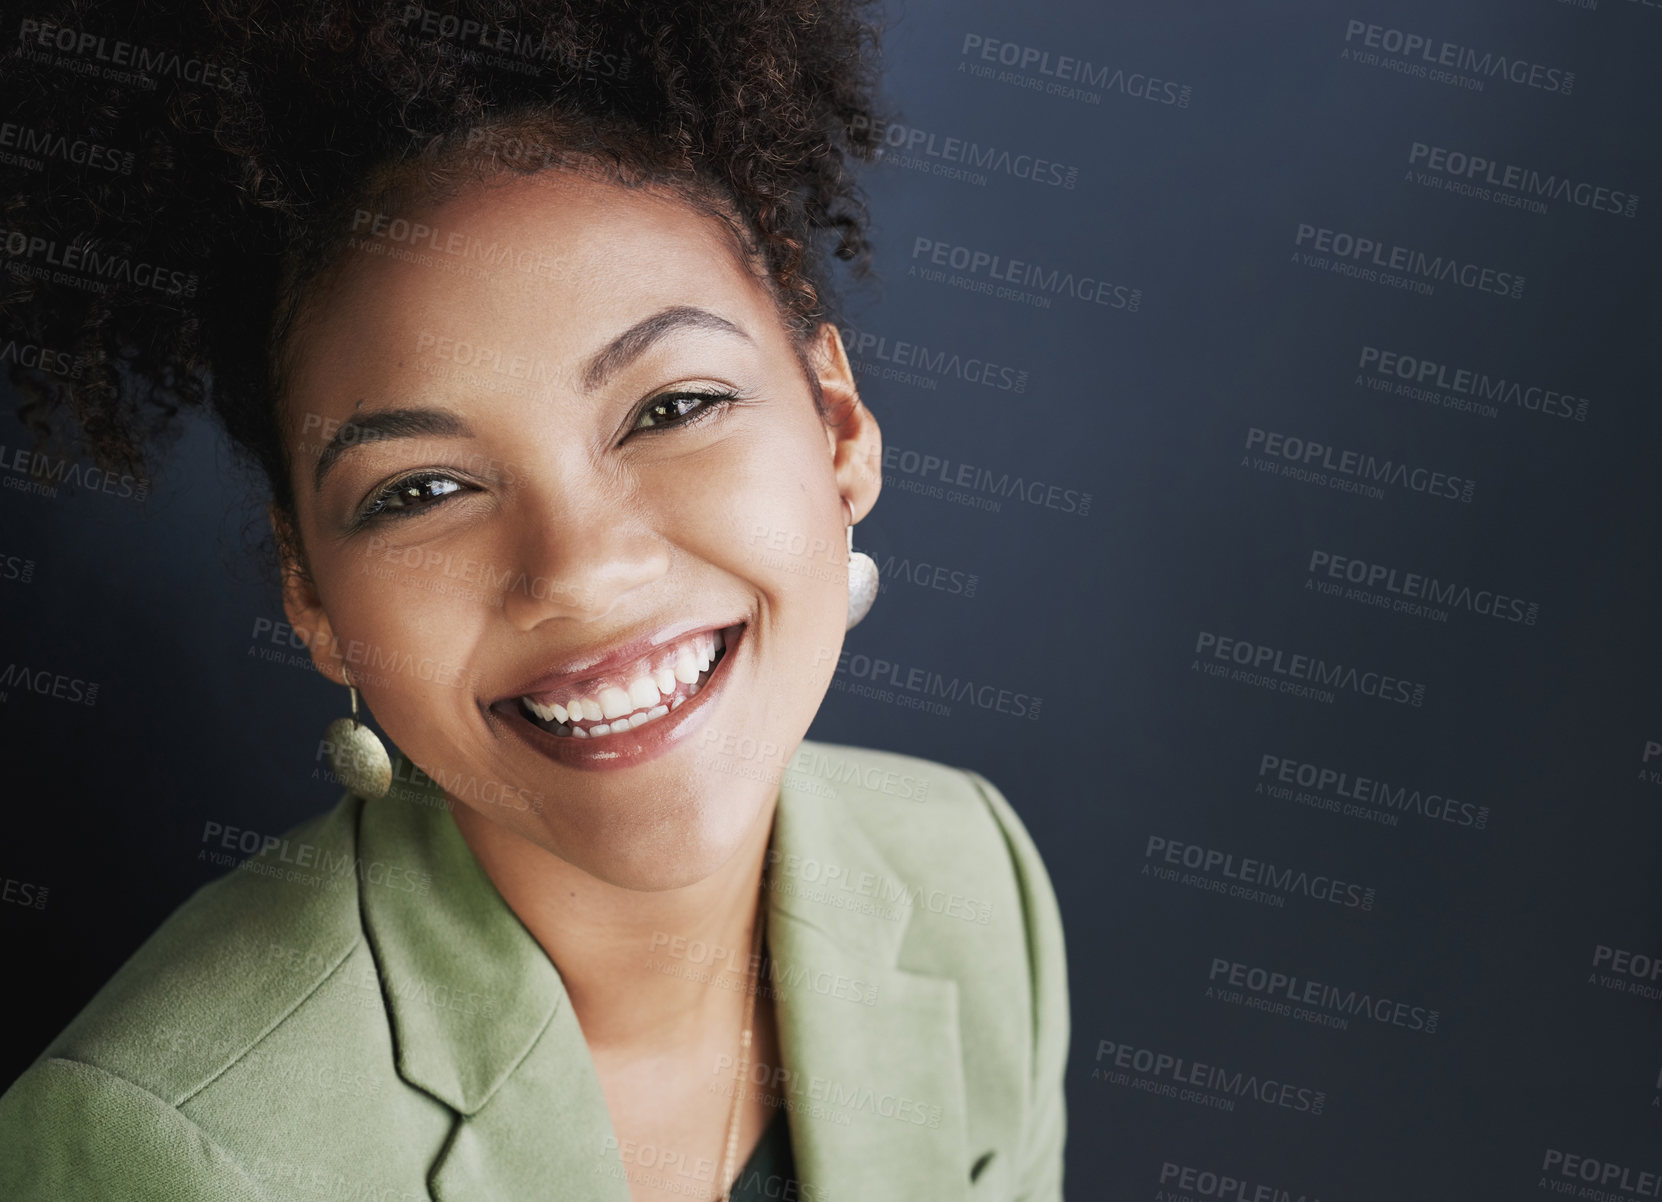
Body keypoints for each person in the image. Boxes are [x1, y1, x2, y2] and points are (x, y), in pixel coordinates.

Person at [0, 2, 1069, 1198]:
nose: (581, 569)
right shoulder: (172, 1150)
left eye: (672, 408)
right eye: (425, 488)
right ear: (308, 593)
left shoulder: (975, 879)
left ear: (836, 425)